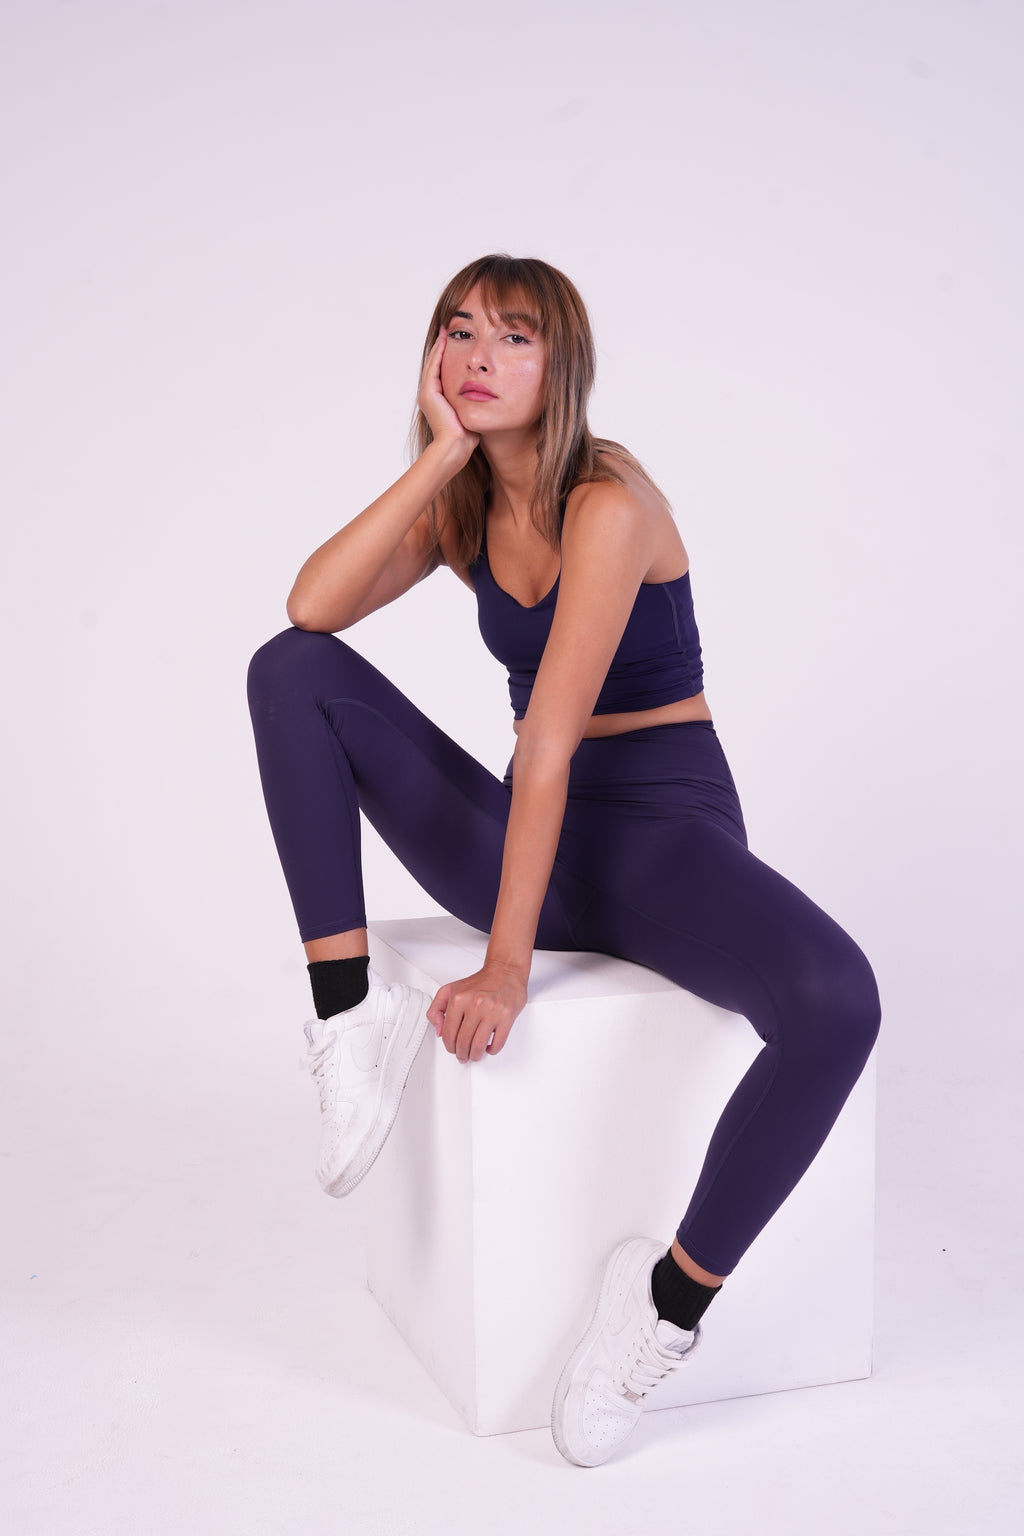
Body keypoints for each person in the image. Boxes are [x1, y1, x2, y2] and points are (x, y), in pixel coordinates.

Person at [246, 254, 881, 1468]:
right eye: (458, 331)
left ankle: (664, 1308)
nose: (480, 357)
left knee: (835, 1002)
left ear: (564, 364)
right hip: (531, 837)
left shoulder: (611, 499)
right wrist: (434, 460)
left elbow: (547, 743)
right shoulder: (465, 501)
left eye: (515, 337)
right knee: (291, 674)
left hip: (658, 837)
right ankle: (344, 1020)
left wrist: (505, 967)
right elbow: (311, 605)